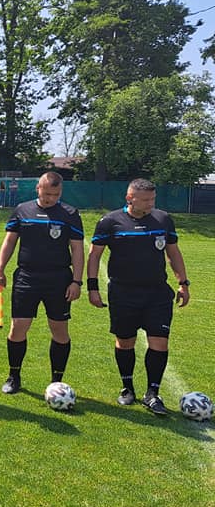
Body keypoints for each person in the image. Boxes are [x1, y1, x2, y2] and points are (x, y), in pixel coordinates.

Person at [87, 178, 190, 416]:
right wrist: (93, 287)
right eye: (145, 200)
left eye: (152, 199)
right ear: (129, 198)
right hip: (123, 293)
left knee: (159, 342)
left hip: (157, 293)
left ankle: (153, 393)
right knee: (125, 342)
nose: (150, 203)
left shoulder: (163, 219)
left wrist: (183, 283)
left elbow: (173, 253)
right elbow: (94, 256)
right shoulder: (110, 221)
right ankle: (128, 388)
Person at [0, 172, 84, 394]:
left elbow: (77, 249)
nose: (50, 198)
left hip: (59, 279)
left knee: (59, 330)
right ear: (38, 189)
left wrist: (77, 281)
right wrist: (0, 270)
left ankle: (56, 381)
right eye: (47, 193)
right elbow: (9, 242)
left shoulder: (70, 213)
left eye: (55, 194)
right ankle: (14, 376)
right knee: (18, 328)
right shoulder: (22, 210)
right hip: (27, 277)